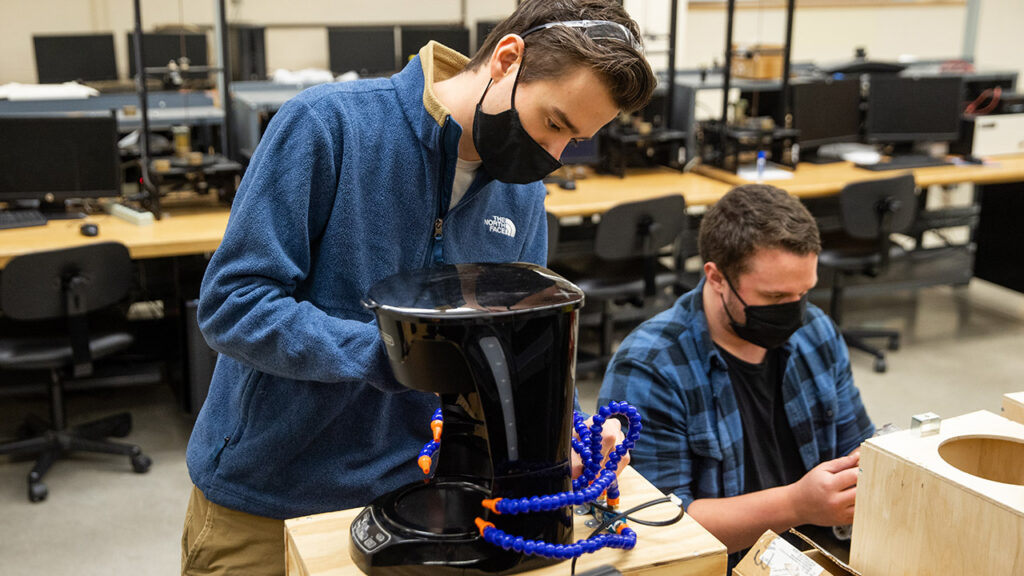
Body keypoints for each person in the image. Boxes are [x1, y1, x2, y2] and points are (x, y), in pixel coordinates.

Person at [181, 1, 656, 574]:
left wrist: (558, 447)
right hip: (271, 498)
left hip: (420, 502)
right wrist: (398, 356)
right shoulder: (329, 126)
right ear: (507, 61)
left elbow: (521, 343)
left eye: (574, 140)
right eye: (554, 123)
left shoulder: (521, 192)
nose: (554, 157)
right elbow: (234, 305)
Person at [599, 184, 874, 566]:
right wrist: (798, 504)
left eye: (805, 292)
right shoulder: (651, 367)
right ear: (716, 277)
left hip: (822, 554)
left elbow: (859, 448)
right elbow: (659, 524)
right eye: (775, 298)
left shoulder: (815, 332)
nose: (795, 312)